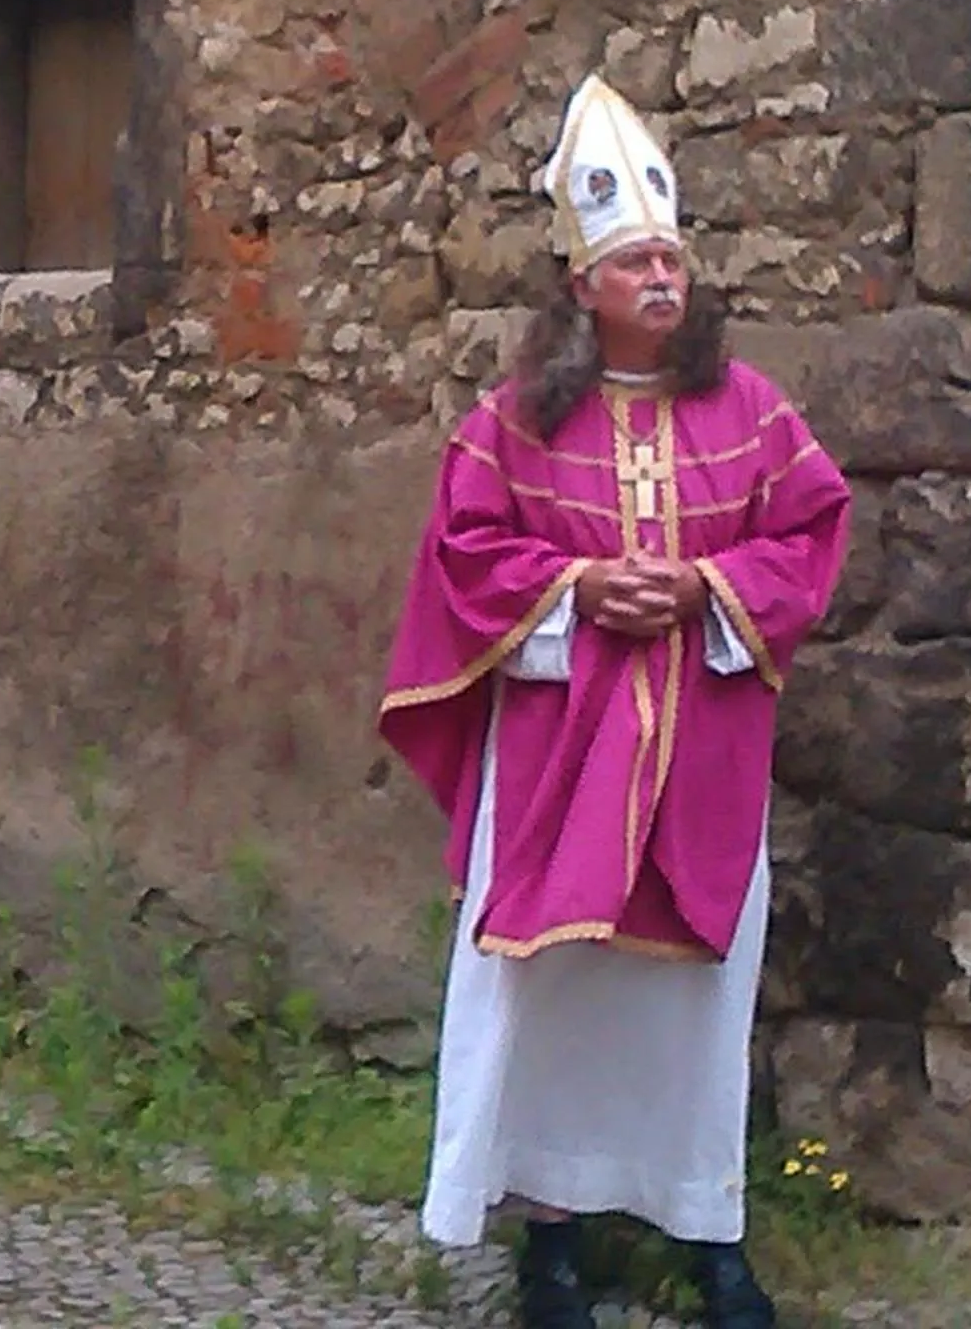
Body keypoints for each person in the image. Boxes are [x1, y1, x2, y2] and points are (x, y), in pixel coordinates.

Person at [375, 75, 853, 1329]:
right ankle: (552, 1241)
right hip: (558, 764)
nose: (662, 278)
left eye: (671, 257)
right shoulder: (515, 424)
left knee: (695, 1001)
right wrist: (580, 589)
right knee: (558, 994)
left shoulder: (750, 414)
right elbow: (464, 556)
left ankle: (710, 1231)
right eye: (635, 260)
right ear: (582, 286)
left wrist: (704, 587)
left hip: (701, 757)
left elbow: (809, 530)